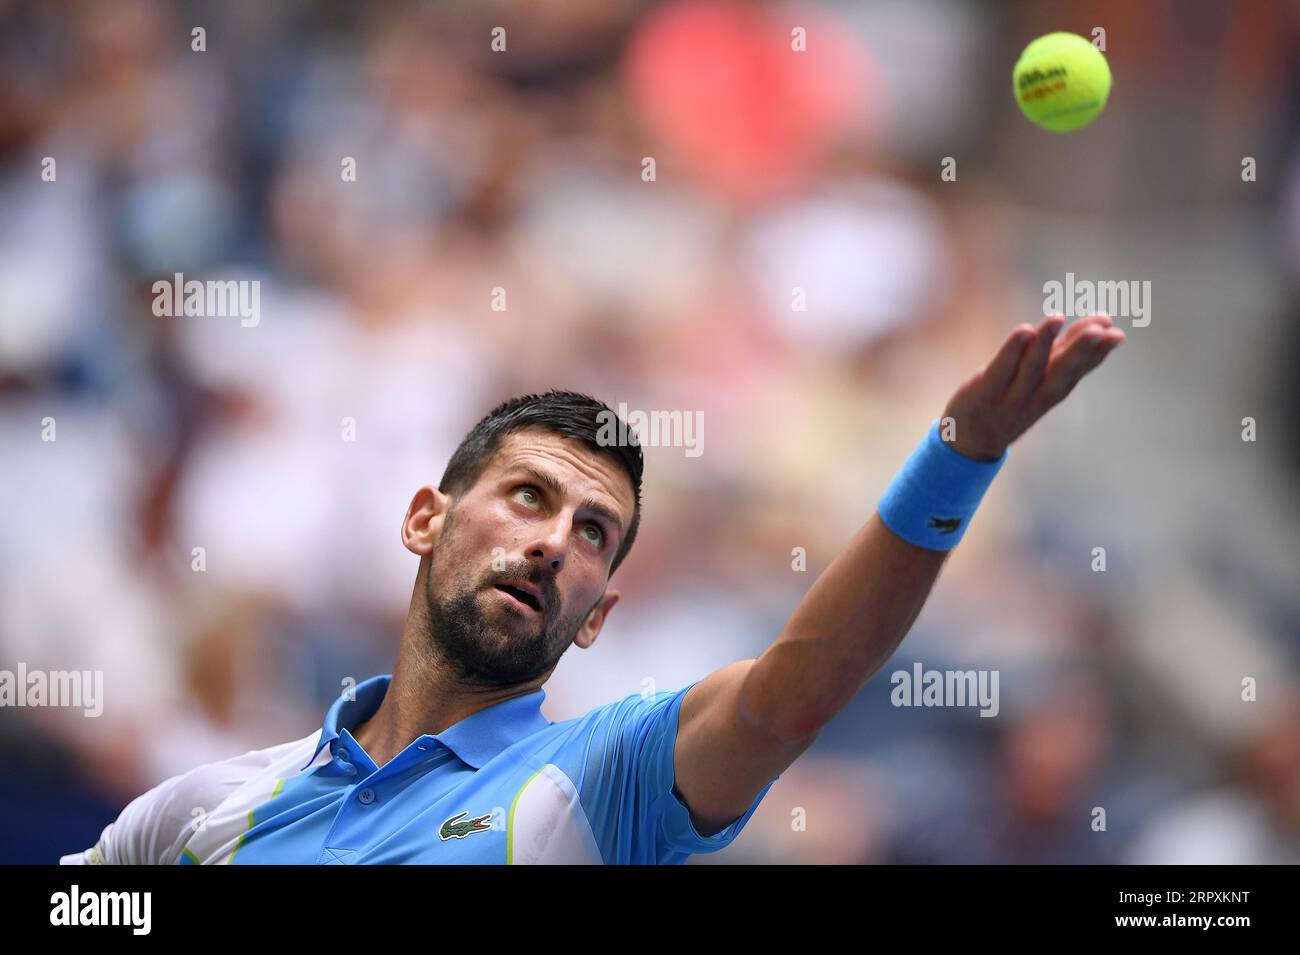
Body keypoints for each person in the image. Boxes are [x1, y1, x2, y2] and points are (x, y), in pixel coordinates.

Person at [60, 313, 1123, 864]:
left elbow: (791, 691)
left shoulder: (595, 782)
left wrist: (959, 454)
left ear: (597, 615)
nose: (553, 541)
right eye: (526, 496)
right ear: (425, 519)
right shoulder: (207, 812)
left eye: (593, 533)